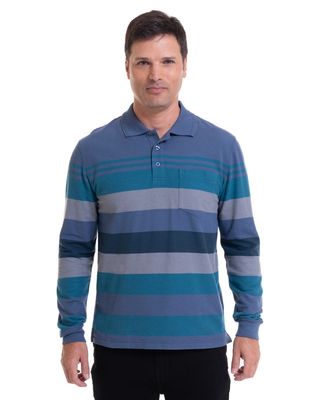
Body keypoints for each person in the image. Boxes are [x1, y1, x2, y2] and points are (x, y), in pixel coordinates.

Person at [57, 10, 262, 400]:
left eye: (167, 61)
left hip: (201, 344)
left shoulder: (222, 149)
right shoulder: (91, 152)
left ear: (184, 66)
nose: (155, 75)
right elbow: (75, 249)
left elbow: (242, 244)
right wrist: (71, 333)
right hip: (118, 346)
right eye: (143, 62)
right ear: (127, 67)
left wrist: (249, 327)